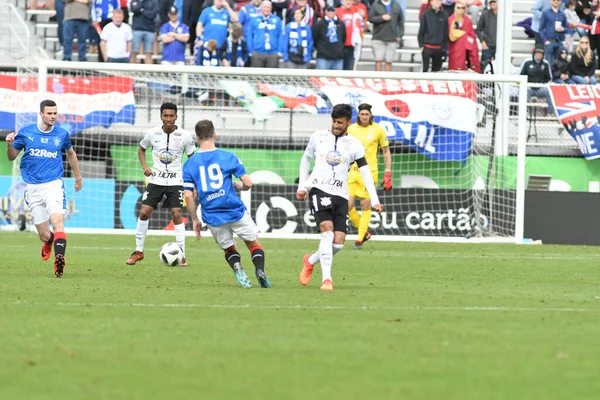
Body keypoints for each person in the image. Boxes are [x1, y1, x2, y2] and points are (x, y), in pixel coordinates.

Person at [296, 104, 384, 291]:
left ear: (348, 123)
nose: (336, 125)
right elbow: (305, 158)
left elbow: (365, 171)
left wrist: (374, 199)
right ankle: (326, 279)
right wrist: (302, 186)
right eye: (334, 121)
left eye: (340, 122)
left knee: (338, 243)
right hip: (319, 189)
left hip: (341, 194)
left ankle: (310, 260)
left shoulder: (354, 144)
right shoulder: (318, 137)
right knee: (326, 231)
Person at [182, 120, 271, 289]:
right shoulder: (228, 156)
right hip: (234, 210)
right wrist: (240, 185)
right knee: (253, 244)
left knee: (229, 249)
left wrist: (195, 220)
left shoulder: (189, 164)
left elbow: (188, 195)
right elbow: (248, 183)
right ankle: (259, 270)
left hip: (212, 215)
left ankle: (237, 267)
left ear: (196, 138)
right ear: (214, 135)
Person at [5, 100, 83, 278]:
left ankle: (59, 259)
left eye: (55, 113)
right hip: (32, 188)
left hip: (54, 185)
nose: (53, 116)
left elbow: (71, 153)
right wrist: (9, 144)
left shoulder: (62, 134)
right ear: (41, 114)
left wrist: (78, 178)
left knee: (57, 221)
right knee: (44, 234)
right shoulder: (26, 132)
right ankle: (49, 242)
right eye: (49, 113)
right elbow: (11, 157)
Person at [126, 102, 196, 266]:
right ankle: (138, 252)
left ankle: (182, 255)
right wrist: (145, 167)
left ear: (176, 116)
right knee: (144, 212)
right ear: (161, 116)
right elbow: (141, 149)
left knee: (177, 213)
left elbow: (193, 158)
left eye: (171, 115)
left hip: (176, 181)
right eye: (165, 115)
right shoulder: (153, 133)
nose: (168, 119)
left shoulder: (184, 136)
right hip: (156, 180)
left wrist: (192, 181)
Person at [347, 103, 392, 250]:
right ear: (358, 115)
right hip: (352, 171)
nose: (365, 117)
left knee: (366, 204)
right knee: (347, 205)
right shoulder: (351, 129)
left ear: (370, 115)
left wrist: (388, 173)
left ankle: (359, 240)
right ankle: (364, 232)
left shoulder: (378, 130)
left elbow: (386, 151)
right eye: (362, 114)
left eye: (367, 114)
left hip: (369, 171)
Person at [369, 0, 404, 72]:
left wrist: (400, 35)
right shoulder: (376, 4)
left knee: (389, 61)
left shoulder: (396, 4)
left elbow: (401, 21)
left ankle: (387, 80)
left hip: (392, 38)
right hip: (378, 37)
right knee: (378, 60)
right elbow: (371, 18)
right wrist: (381, 18)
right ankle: (378, 79)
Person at [448, 1, 481, 72]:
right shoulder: (451, 20)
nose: (460, 9)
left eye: (462, 8)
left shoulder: (467, 20)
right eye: (458, 8)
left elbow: (471, 35)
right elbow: (450, 34)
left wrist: (464, 38)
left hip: (466, 49)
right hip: (454, 48)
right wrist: (462, 35)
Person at [418, 0, 449, 72]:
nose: (437, 2)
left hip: (439, 48)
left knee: (436, 71)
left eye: (439, 0)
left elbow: (445, 32)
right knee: (425, 70)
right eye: (435, 0)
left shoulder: (444, 15)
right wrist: (421, 46)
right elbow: (421, 31)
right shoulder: (425, 15)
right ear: (431, 2)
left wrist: (444, 48)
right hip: (427, 47)